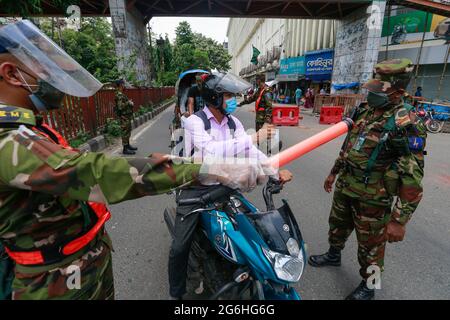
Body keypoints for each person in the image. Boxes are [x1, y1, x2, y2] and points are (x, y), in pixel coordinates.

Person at [0, 20, 266, 300]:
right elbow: (93, 172)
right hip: (52, 281)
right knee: (180, 246)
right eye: (43, 69)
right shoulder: (8, 141)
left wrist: (266, 165)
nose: (52, 78)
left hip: (81, 268)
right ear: (12, 74)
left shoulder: (31, 129)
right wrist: (207, 168)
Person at [307, 58, 425, 300]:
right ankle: (333, 254)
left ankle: (370, 286)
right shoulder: (365, 110)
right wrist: (333, 171)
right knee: (337, 226)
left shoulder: (406, 122)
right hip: (347, 184)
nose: (371, 94)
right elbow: (349, 145)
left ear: (398, 92)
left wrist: (399, 221)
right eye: (372, 88)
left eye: (378, 90)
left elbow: (412, 175)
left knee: (371, 246)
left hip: (374, 197)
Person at [169, 72, 292, 300]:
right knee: (179, 247)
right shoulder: (195, 122)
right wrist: (254, 136)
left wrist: (274, 172)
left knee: (251, 226)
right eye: (228, 95)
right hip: (197, 188)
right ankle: (176, 294)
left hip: (225, 185)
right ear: (214, 98)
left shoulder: (233, 122)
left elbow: (250, 152)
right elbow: (212, 151)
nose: (233, 100)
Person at [114, 79, 138, 155]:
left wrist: (128, 102)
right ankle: (125, 149)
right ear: (121, 85)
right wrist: (129, 102)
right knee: (125, 132)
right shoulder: (119, 95)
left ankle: (127, 146)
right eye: (123, 84)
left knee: (128, 131)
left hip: (126, 116)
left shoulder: (121, 94)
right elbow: (120, 107)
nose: (124, 85)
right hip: (124, 117)